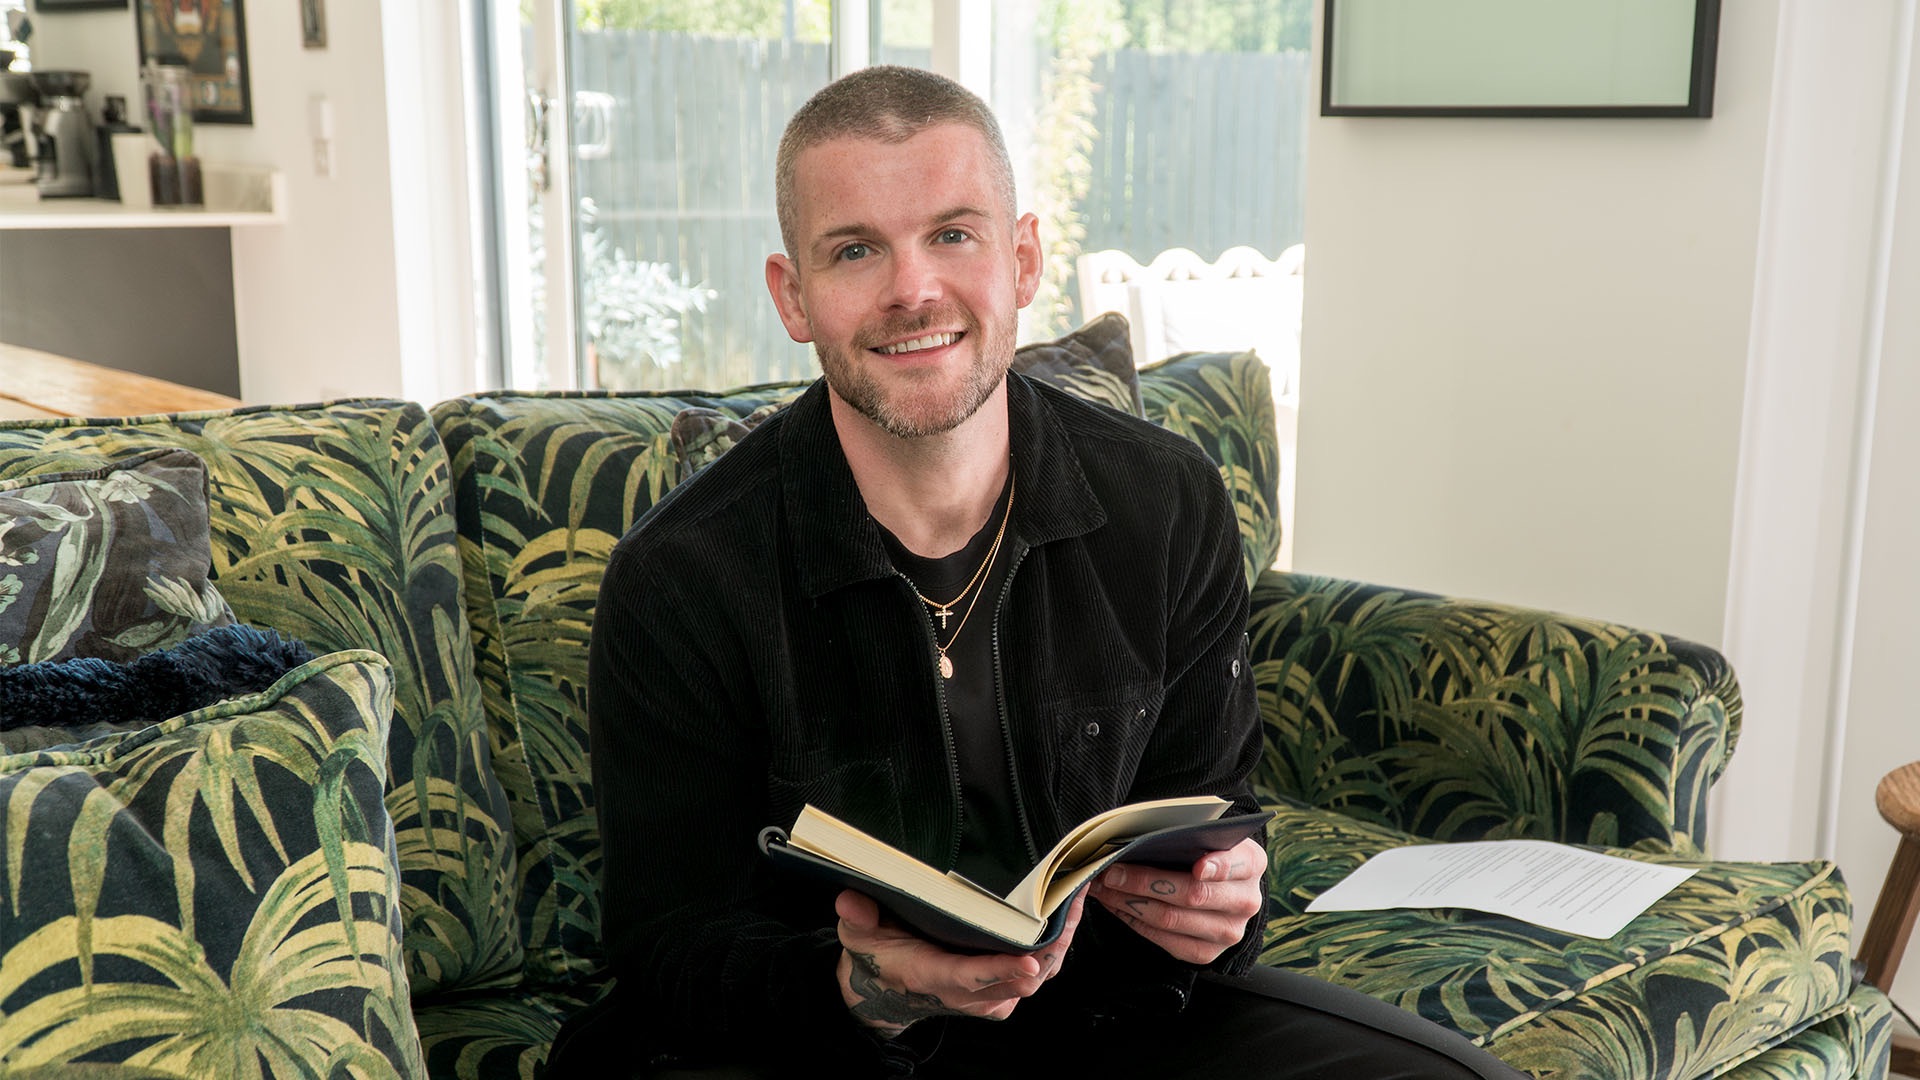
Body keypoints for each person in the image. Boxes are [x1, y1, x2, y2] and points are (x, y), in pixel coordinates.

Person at [573, 65, 1529, 1079]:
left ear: (1022, 260)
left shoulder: (1169, 500)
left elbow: (1210, 811)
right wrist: (863, 992)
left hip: (1106, 1017)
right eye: (855, 250)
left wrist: (1221, 909)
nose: (913, 290)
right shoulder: (680, 575)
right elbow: (667, 946)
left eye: (953, 234)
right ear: (792, 296)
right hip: (824, 1052)